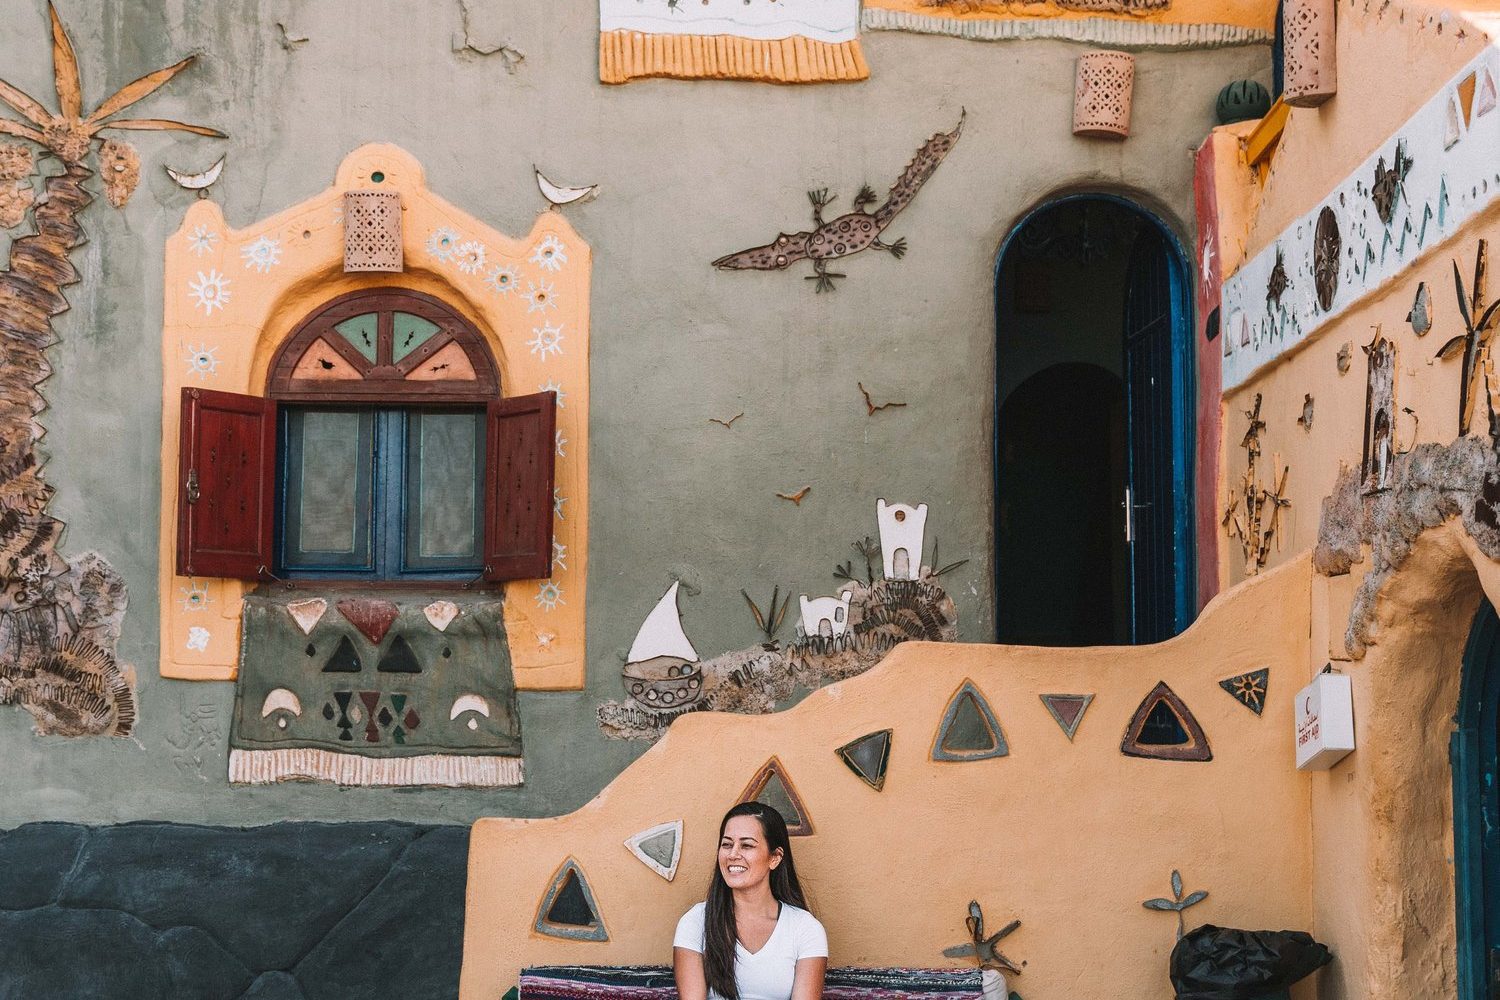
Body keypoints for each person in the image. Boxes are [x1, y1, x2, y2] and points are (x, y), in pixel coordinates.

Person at [673, 802, 827, 1000]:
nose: (733, 854)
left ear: (775, 858)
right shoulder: (695, 922)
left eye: (746, 845)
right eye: (727, 844)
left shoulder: (805, 928)